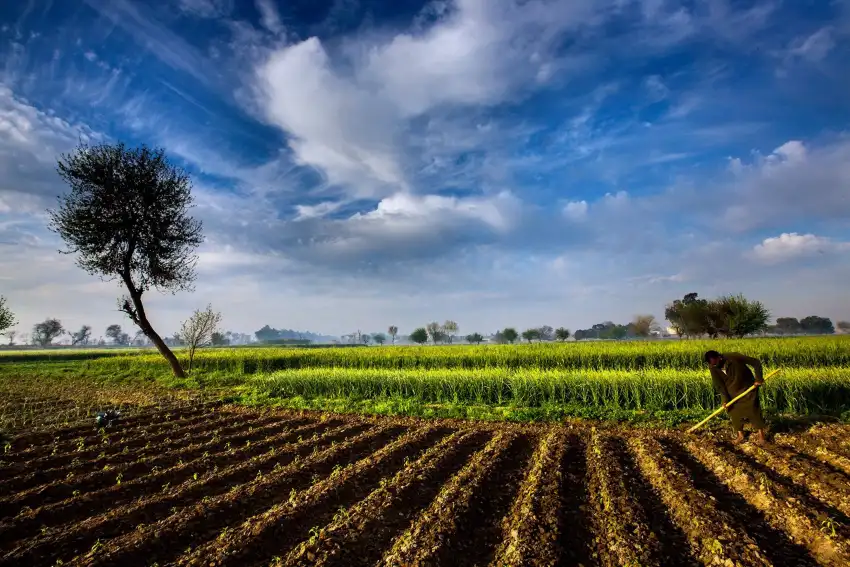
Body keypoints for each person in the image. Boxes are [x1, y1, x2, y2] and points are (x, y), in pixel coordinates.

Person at [704, 350, 767, 444]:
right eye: (712, 364)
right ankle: (740, 436)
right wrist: (725, 399)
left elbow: (756, 362)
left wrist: (758, 378)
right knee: (733, 412)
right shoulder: (712, 367)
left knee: (754, 410)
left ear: (719, 357)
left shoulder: (733, 357)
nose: (715, 365)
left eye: (715, 363)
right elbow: (719, 385)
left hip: (748, 387)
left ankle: (761, 436)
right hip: (732, 392)